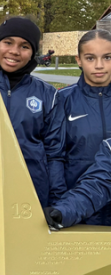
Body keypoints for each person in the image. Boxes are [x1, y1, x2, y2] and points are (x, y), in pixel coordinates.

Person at [0, 17, 64, 207]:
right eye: (8, 43)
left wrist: (57, 202)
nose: (14, 51)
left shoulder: (47, 95)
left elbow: (55, 152)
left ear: (33, 52)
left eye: (24, 46)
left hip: (31, 194)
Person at [49, 30, 111, 225]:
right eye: (90, 58)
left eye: (107, 57)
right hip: (76, 208)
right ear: (79, 60)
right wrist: (60, 202)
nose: (99, 65)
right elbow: (54, 155)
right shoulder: (62, 99)